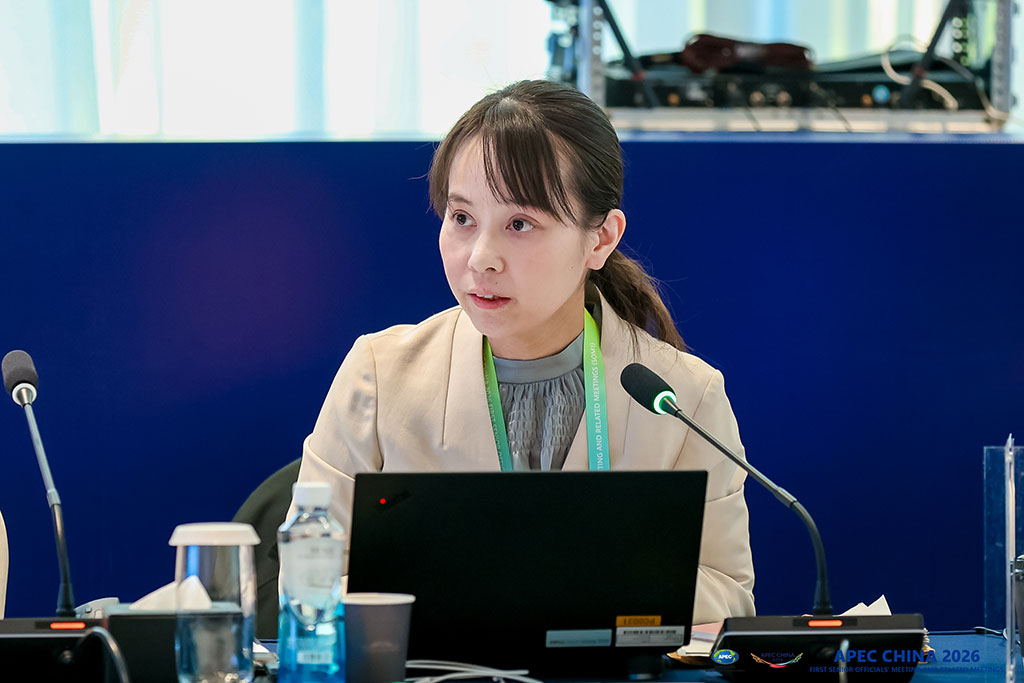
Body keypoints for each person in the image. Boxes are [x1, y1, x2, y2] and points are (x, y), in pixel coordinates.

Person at [290, 79, 755, 623]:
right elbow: (308, 580)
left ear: (601, 239)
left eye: (520, 223)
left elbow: (728, 593)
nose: (481, 257)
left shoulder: (684, 397)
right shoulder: (379, 375)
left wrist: (560, 582)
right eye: (462, 218)